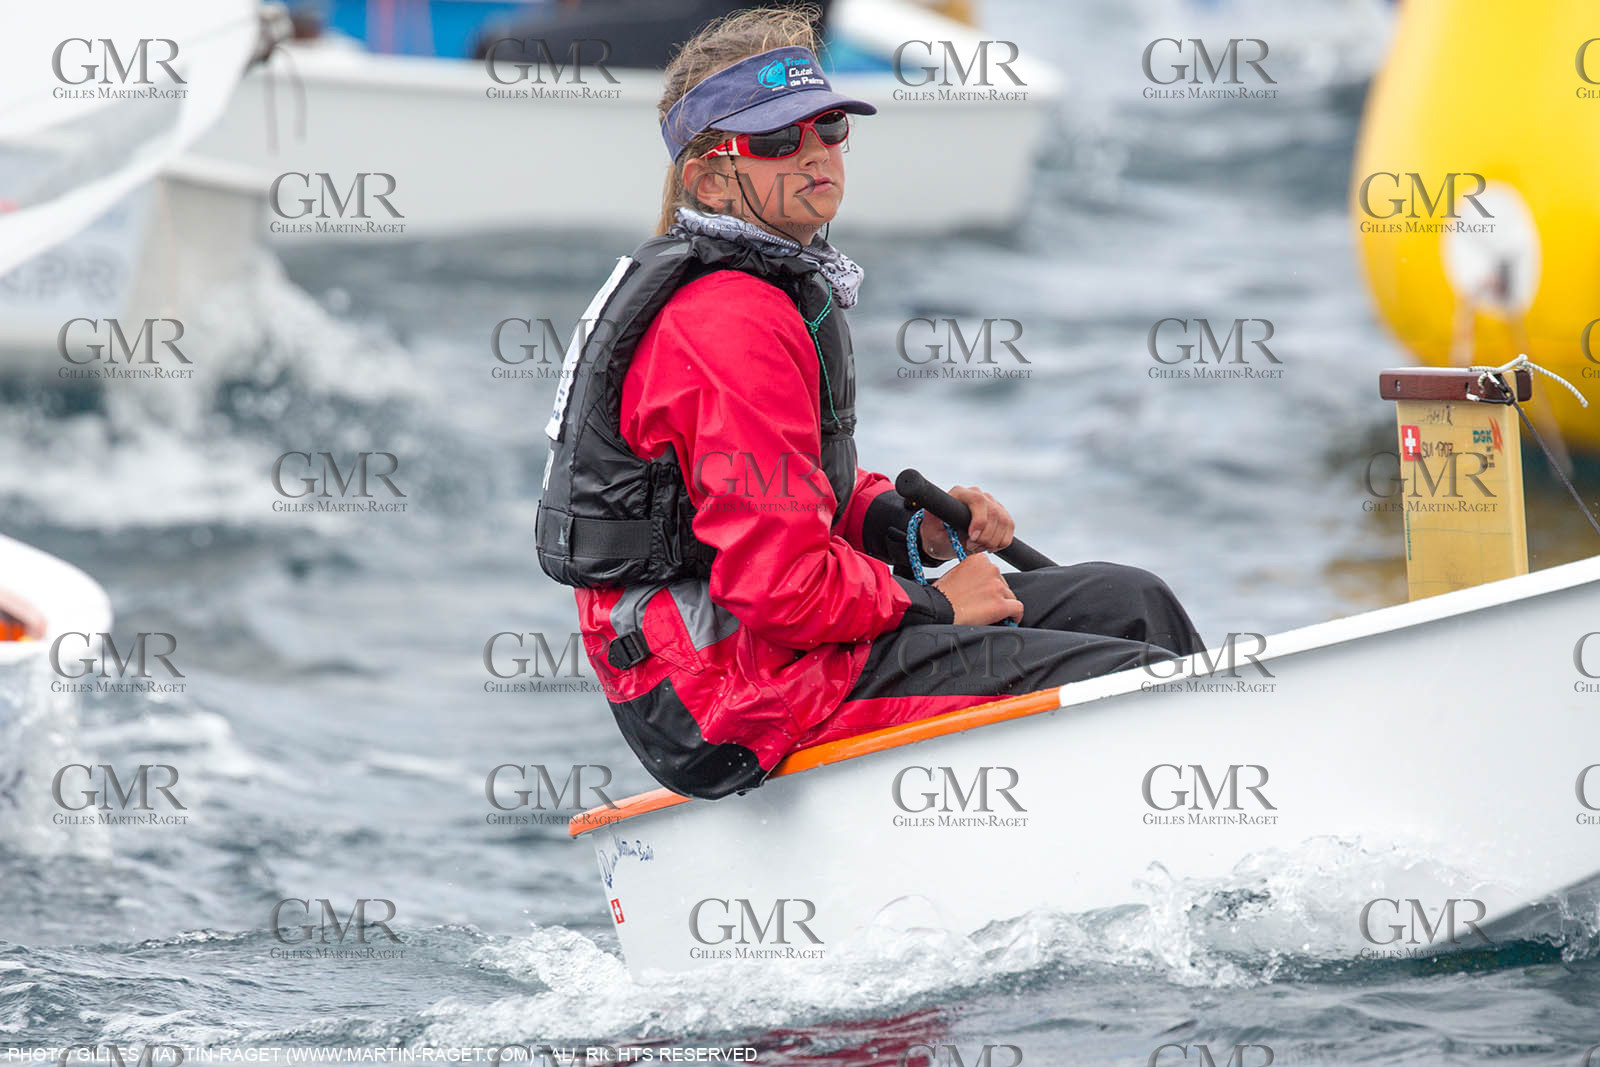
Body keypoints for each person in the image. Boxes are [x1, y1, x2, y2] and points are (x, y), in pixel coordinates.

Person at [536, 6, 1204, 800]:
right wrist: (932, 601)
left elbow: (791, 493)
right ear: (709, 179)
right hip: (729, 699)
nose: (815, 152)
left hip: (776, 653)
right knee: (1135, 678)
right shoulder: (729, 323)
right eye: (778, 141)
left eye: (827, 127)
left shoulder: (772, 287)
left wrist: (905, 527)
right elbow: (776, 585)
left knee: (1132, 602)